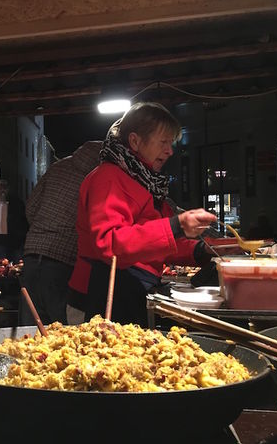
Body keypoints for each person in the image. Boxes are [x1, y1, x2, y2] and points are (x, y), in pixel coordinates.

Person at [67, 102, 217, 327]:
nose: (170, 151)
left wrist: (200, 250)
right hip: (101, 298)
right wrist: (176, 225)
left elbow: (157, 242)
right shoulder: (108, 178)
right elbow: (109, 244)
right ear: (135, 141)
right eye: (163, 142)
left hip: (132, 290)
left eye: (171, 143)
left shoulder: (145, 181)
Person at [19, 141, 102, 326]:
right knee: (61, 331)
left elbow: (31, 208)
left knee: (31, 330)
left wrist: (44, 230)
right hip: (64, 262)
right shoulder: (99, 177)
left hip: (32, 255)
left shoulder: (58, 166)